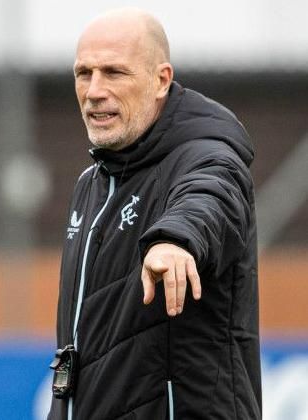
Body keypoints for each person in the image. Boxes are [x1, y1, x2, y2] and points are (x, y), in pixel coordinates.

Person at [48, 8, 260, 419]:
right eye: (83, 73)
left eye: (114, 72)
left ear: (161, 79)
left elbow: (210, 195)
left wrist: (176, 239)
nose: (94, 90)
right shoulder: (90, 184)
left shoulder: (206, 155)